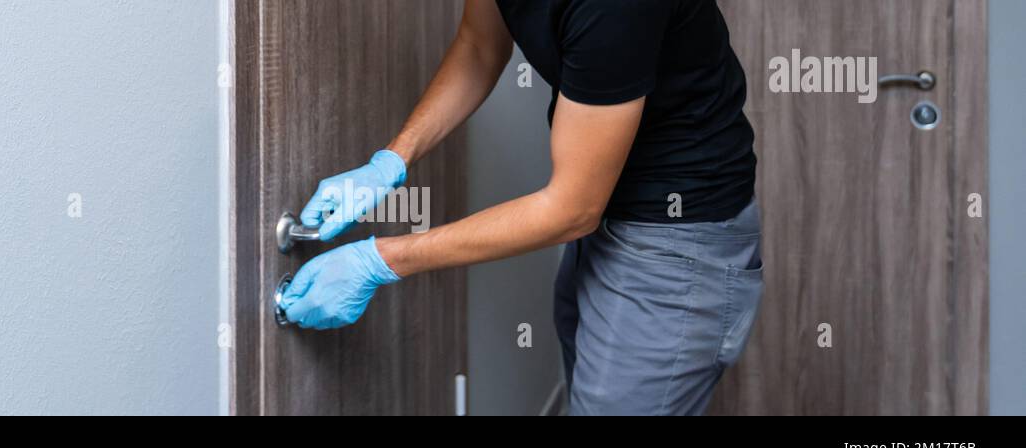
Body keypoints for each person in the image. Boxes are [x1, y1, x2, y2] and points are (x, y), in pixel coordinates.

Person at [278, 0, 764, 416]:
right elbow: (479, 45)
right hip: (609, 210)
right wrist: (390, 161)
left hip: (677, 241)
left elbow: (572, 208)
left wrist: (379, 260)